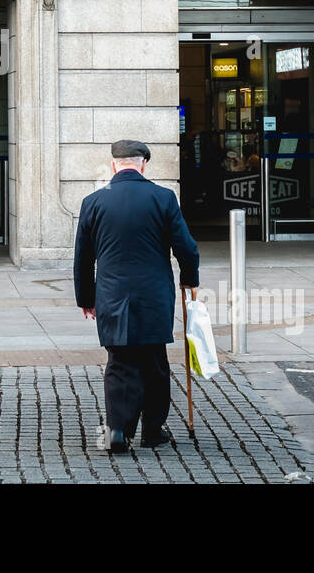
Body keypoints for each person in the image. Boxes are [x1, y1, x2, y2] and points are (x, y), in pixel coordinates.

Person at [73, 139, 201, 453]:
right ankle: (153, 430)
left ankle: (117, 432)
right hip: (154, 294)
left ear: (114, 164)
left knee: (119, 361)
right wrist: (189, 281)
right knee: (154, 360)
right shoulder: (163, 198)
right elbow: (187, 248)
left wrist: (85, 298)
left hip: (112, 293)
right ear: (143, 163)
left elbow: (82, 258)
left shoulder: (93, 201)